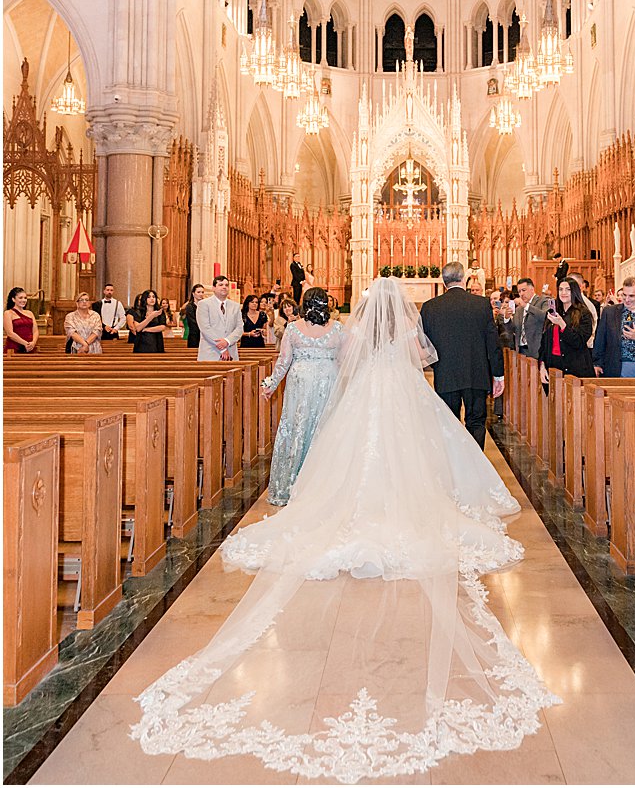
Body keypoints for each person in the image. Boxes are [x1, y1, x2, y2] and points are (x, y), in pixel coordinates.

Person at [131, 277, 557, 777]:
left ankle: (351, 508)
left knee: (355, 456)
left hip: (368, 397)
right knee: (409, 453)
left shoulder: (352, 333)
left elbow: (347, 363)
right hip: (399, 393)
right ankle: (407, 506)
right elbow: (423, 355)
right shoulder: (403, 330)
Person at [259, 288, 344, 507]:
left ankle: (291, 484)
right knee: (324, 428)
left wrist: (271, 384)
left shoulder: (293, 328)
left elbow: (284, 361)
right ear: (326, 304)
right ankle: (323, 485)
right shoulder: (338, 328)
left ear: (304, 305)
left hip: (301, 382)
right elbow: (346, 362)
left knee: (298, 427)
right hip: (328, 380)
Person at [419, 261, 505, 448]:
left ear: (443, 282)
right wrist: (498, 375)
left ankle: (455, 466)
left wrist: (438, 365)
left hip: (446, 374)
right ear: (463, 279)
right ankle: (476, 467)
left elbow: (424, 344)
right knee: (476, 422)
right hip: (476, 373)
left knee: (449, 423)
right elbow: (493, 343)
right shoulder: (481, 304)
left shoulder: (429, 307)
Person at [538, 277, 596, 384]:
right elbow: (544, 343)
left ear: (574, 291)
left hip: (576, 369)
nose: (563, 293)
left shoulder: (584, 313)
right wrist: (542, 366)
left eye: (568, 289)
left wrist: (562, 324)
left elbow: (579, 342)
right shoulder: (552, 312)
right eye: (560, 289)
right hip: (554, 367)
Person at [196, 275, 242, 361]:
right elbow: (205, 328)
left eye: (226, 285)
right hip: (210, 353)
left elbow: (239, 328)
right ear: (213, 288)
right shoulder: (204, 304)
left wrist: (227, 341)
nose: (224, 287)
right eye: (221, 285)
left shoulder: (235, 306)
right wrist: (223, 348)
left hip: (231, 352)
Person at [508, 276, 551, 358]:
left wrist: (526, 306)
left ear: (532, 289)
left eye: (523, 290)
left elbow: (546, 317)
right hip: (521, 351)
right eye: (519, 291)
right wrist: (506, 319)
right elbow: (513, 330)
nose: (521, 294)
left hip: (538, 350)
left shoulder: (544, 300)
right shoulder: (519, 309)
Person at [127, 288, 168, 354]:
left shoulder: (159, 311)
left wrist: (146, 329)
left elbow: (162, 327)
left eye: (154, 297)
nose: (152, 299)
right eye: (149, 297)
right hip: (142, 342)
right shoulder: (138, 312)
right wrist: (151, 316)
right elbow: (138, 328)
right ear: (144, 299)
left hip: (156, 341)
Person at [5, 287, 37, 353]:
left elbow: (35, 331)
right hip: (14, 348)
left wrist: (33, 343)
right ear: (13, 299)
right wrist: (25, 343)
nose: (24, 300)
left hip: (30, 347)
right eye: (20, 298)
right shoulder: (8, 313)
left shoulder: (30, 313)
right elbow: (10, 333)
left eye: (25, 298)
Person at [182, 283, 205, 350]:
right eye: (198, 292)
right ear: (193, 293)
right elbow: (192, 321)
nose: (201, 294)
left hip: (205, 336)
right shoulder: (190, 306)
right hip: (194, 335)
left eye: (202, 292)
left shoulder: (206, 305)